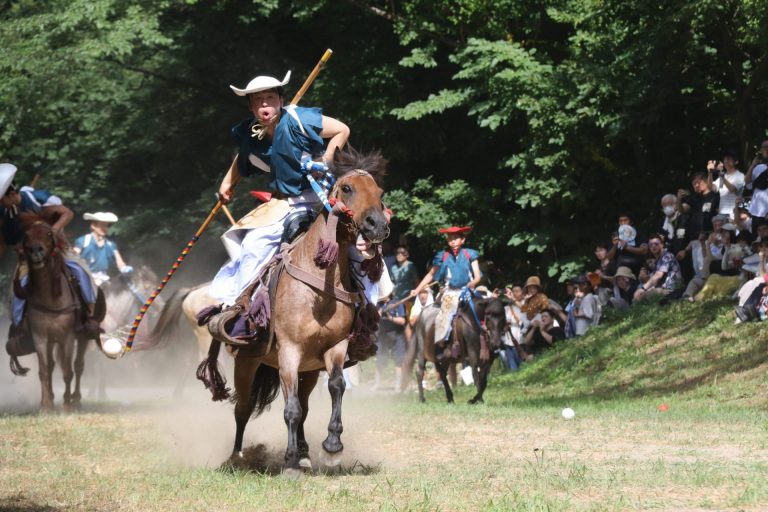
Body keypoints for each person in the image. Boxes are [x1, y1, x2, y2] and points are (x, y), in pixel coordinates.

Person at [211, 71, 354, 305]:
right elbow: (242, 157)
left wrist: (328, 157)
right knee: (252, 245)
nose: (264, 104)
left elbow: (342, 129)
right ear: (250, 107)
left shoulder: (299, 119)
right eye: (257, 100)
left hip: (321, 196)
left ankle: (366, 310)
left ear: (280, 100)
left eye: (269, 98)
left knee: (360, 245)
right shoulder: (250, 133)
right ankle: (242, 305)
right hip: (284, 202)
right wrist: (227, 182)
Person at [0, 163, 98, 345]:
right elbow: (3, 241)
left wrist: (52, 231)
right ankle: (20, 328)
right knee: (15, 290)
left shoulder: (38, 198)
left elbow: (67, 213)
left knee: (83, 273)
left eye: (1, 200)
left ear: (11, 194)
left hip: (59, 249)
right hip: (29, 259)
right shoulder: (5, 212)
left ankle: (90, 317)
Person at [411, 226, 481, 355]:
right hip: (450, 292)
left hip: (468, 290)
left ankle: (488, 339)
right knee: (445, 313)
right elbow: (431, 275)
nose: (452, 242)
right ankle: (442, 344)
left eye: (455, 239)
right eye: (450, 239)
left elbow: (477, 276)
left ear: (463, 240)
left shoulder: (469, 254)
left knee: (483, 307)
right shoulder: (443, 256)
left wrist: (473, 282)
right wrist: (418, 289)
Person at [73, 212, 133, 286]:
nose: (105, 228)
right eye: (102, 225)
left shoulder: (110, 245)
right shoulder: (84, 241)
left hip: (103, 279)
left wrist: (124, 268)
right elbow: (73, 258)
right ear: (93, 226)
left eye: (107, 226)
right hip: (83, 277)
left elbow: (119, 262)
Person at [634, 235, 683, 302]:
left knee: (643, 295)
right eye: (651, 245)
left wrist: (643, 289)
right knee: (639, 293)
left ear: (662, 245)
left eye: (656, 244)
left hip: (672, 290)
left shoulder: (667, 256)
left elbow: (658, 276)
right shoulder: (658, 260)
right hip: (663, 288)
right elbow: (652, 279)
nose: (653, 246)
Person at [373, 297, 407, 391]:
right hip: (382, 335)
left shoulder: (397, 302)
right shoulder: (378, 304)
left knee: (398, 360)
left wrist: (390, 317)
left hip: (397, 335)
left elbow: (402, 321)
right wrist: (378, 314)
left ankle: (398, 385)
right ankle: (377, 384)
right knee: (379, 359)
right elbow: (373, 320)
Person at [389, 245, 419, 340]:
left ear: (407, 255)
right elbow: (392, 282)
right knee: (400, 322)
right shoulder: (393, 267)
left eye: (402, 253)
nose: (399, 255)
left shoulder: (410, 265)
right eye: (397, 253)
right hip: (397, 299)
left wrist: (417, 292)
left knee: (410, 321)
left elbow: (416, 280)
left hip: (408, 298)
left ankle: (412, 344)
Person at [708, 150, 745, 219]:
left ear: (736, 162)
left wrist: (722, 177)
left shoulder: (740, 176)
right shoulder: (723, 176)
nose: (726, 161)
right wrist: (710, 173)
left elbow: (733, 189)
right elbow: (712, 188)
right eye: (724, 159)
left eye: (728, 159)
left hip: (734, 214)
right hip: (722, 213)